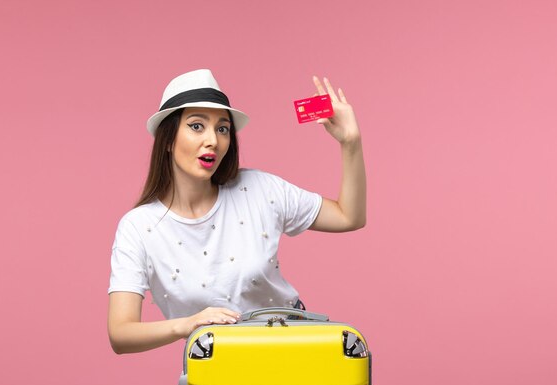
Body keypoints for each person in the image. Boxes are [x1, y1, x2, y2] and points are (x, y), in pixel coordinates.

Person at [107, 69, 366, 354]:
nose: (213, 140)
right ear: (168, 139)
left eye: (222, 128)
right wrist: (188, 324)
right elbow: (121, 333)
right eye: (196, 126)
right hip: (221, 369)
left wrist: (350, 142)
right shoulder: (139, 227)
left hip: (294, 349)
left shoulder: (259, 190)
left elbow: (348, 216)